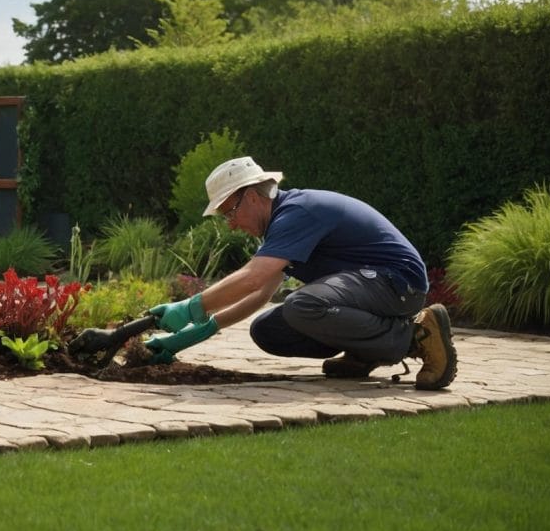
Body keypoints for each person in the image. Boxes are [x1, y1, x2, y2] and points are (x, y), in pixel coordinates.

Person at [146, 156, 457, 390]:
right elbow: (260, 293)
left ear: (252, 197)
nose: (230, 223)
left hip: (398, 283)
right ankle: (366, 350)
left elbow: (252, 277)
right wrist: (194, 334)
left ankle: (416, 336)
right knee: (268, 330)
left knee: (303, 306)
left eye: (229, 212)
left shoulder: (297, 212)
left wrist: (191, 307)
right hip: (370, 290)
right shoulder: (282, 224)